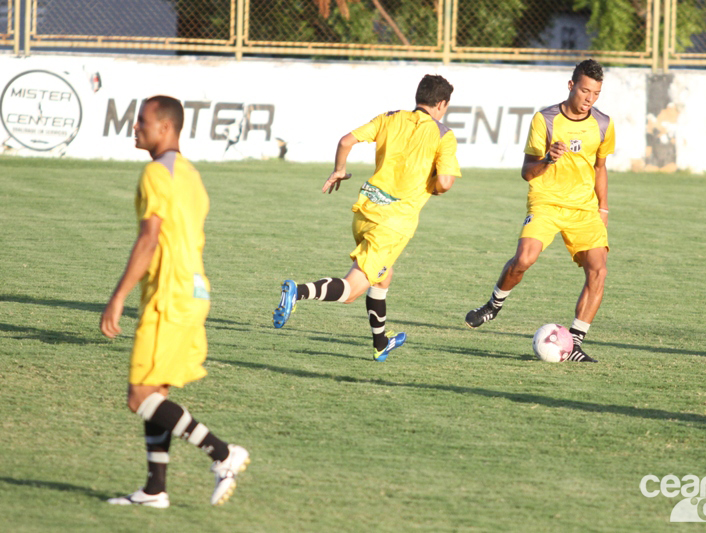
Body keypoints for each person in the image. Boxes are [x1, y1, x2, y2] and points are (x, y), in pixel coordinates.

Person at [100, 95, 249, 508]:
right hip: (195, 290)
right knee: (156, 395)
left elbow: (149, 238)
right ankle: (154, 490)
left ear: (165, 127)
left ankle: (224, 454)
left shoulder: (155, 173)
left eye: (142, 122)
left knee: (138, 396)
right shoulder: (191, 175)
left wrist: (117, 297)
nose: (135, 128)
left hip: (170, 294)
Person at [273, 74, 461, 361]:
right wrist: (432, 186)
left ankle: (380, 343)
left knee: (383, 278)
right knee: (351, 291)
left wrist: (339, 170)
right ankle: (297, 292)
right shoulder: (443, 135)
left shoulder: (390, 117)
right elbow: (445, 182)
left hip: (364, 211)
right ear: (442, 104)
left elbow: (346, 141)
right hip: (393, 223)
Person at [464, 59, 615, 363]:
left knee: (598, 270)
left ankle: (574, 343)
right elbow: (527, 172)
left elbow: (600, 167)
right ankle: (494, 305)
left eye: (596, 94)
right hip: (546, 201)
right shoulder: (544, 120)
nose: (589, 99)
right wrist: (548, 158)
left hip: (583, 209)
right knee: (523, 260)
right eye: (585, 91)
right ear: (571, 86)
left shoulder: (603, 123)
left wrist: (603, 208)